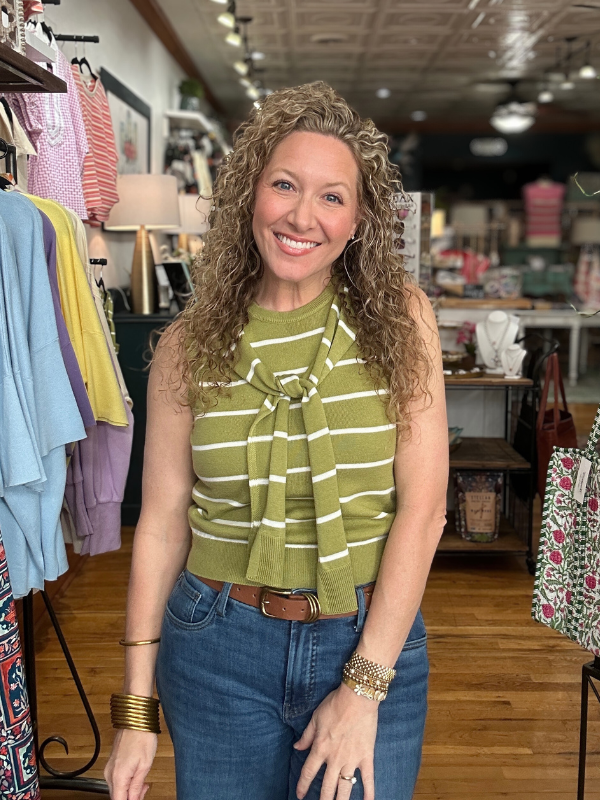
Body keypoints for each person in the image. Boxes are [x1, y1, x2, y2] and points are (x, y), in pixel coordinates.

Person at [104, 81, 448, 800]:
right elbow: (161, 525)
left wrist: (363, 686)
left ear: (359, 220)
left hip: (370, 638)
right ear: (249, 196)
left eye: (332, 196)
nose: (301, 216)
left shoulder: (402, 320)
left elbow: (423, 511)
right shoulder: (187, 346)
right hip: (216, 644)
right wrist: (136, 710)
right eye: (284, 185)